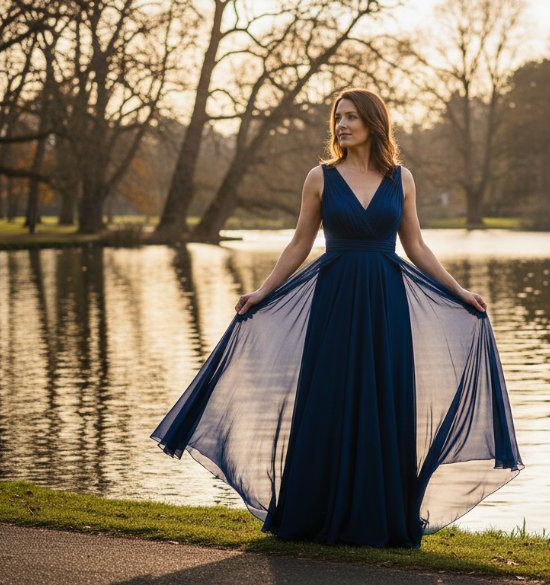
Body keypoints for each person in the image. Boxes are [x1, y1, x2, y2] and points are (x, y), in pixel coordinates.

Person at [151, 87, 524, 549]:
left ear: (373, 122)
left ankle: (379, 519)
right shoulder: (320, 178)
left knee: (383, 403)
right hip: (334, 303)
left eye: (351, 117)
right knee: (328, 399)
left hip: (387, 307)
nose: (342, 125)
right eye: (338, 118)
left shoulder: (402, 179)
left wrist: (460, 291)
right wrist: (263, 291)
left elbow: (418, 247)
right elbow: (299, 244)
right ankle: (313, 515)